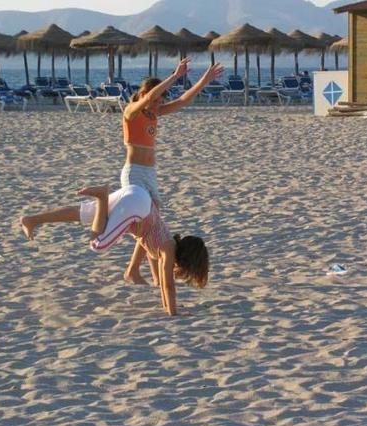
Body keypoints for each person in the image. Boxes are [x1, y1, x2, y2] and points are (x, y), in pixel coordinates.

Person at [19, 184, 209, 316]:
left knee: (86, 214)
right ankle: (102, 195)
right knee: (98, 244)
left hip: (138, 196)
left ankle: (31, 220)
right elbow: (168, 286)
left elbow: (162, 287)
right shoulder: (168, 251)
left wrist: (169, 307)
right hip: (136, 207)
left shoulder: (168, 240)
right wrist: (174, 314)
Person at [119, 57, 223, 285]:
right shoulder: (131, 112)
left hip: (149, 174)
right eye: (155, 99)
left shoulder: (153, 114)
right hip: (134, 172)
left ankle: (138, 271)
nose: (157, 104)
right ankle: (138, 272)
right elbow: (147, 98)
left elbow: (184, 99)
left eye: (160, 101)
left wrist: (205, 79)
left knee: (152, 221)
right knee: (147, 220)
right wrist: (175, 76)